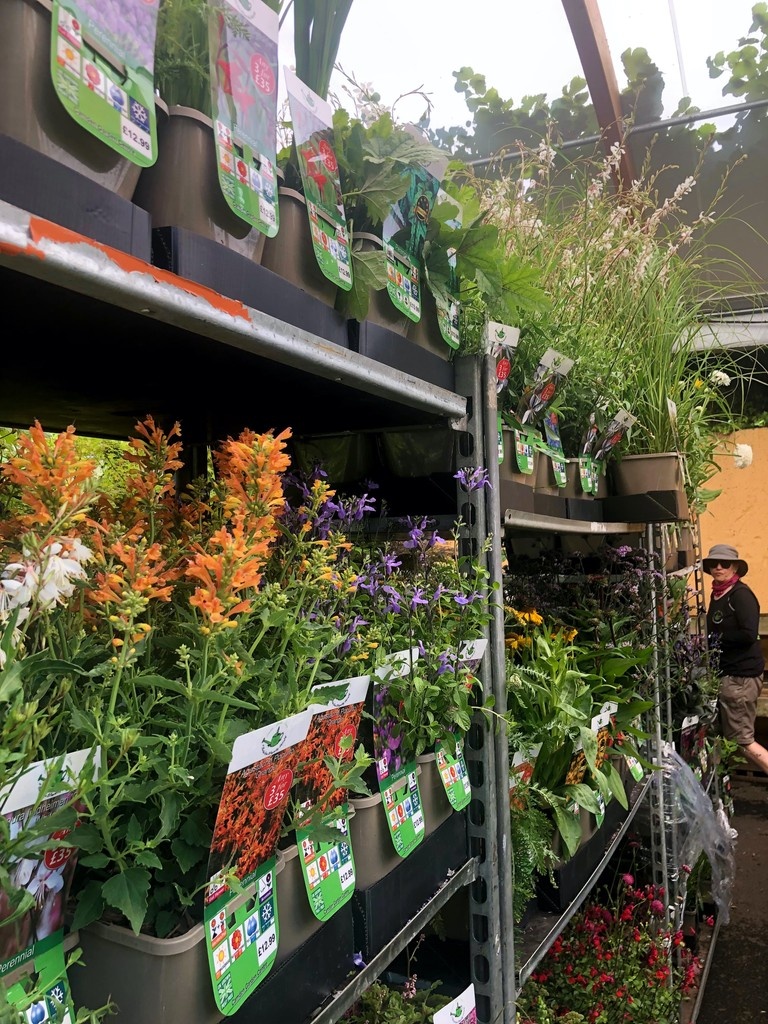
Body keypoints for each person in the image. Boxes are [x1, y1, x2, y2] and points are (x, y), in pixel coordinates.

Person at [704, 543, 768, 774]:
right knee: (729, 737)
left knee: (743, 741)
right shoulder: (719, 593)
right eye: (713, 563)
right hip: (728, 675)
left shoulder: (740, 595)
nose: (718, 567)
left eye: (724, 563)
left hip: (741, 678)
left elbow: (749, 634)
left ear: (735, 568)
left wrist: (714, 639)